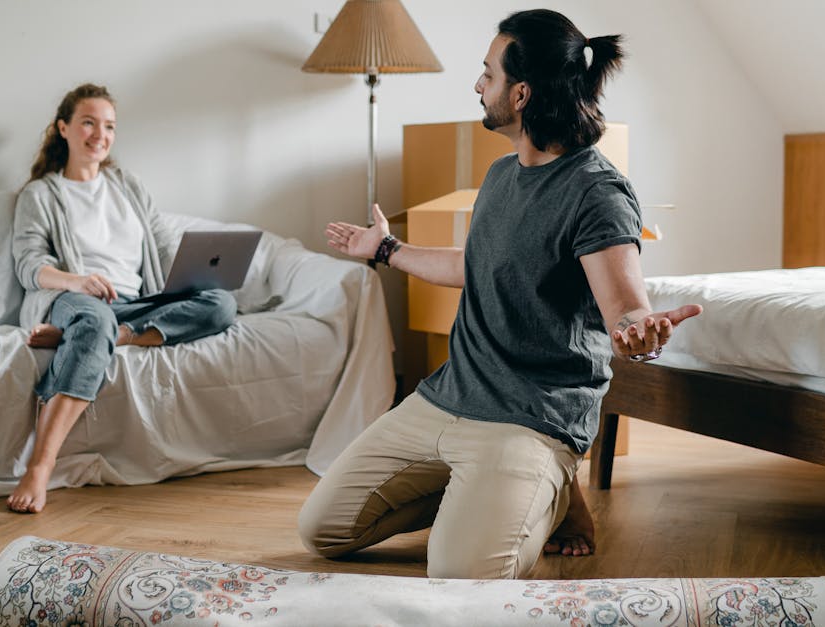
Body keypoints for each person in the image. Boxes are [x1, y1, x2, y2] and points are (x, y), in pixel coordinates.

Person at [298, 9, 703, 579]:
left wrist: (640, 333)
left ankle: (552, 487)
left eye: (486, 74)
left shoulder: (597, 194)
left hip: (529, 418)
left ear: (520, 94)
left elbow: (625, 308)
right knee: (323, 531)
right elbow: (478, 266)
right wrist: (386, 250)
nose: (477, 84)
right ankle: (504, 497)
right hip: (448, 396)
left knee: (461, 575)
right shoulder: (500, 175)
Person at [8, 83, 237, 513]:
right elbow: (29, 265)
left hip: (136, 302)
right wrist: (77, 281)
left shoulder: (127, 185)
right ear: (64, 128)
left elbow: (165, 247)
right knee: (95, 321)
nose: (100, 134)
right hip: (80, 302)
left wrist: (195, 272)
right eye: (89, 123)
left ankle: (121, 336)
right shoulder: (41, 194)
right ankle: (40, 466)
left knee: (222, 303)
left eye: (109, 126)